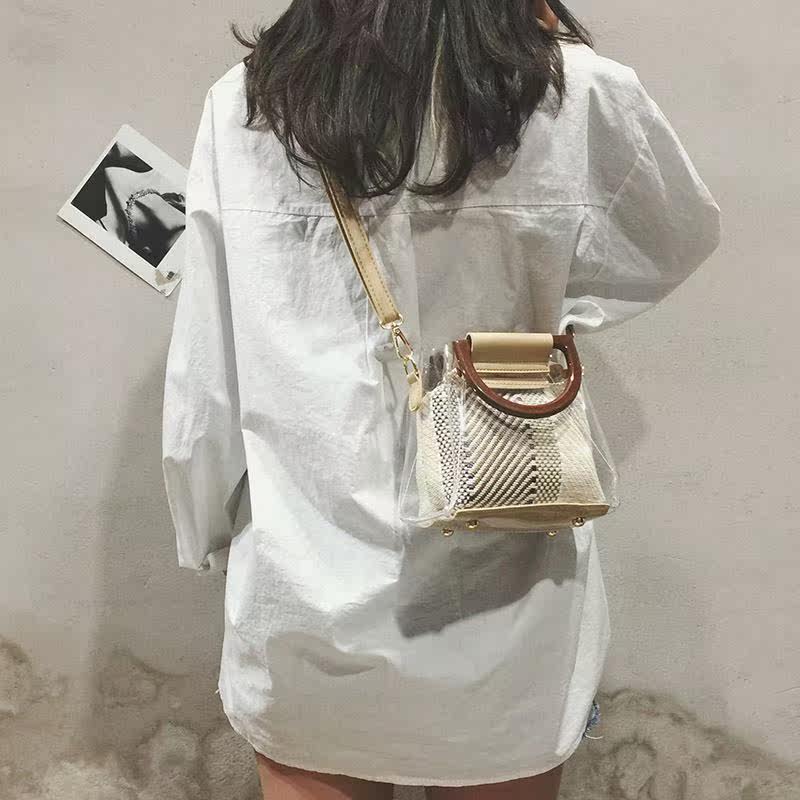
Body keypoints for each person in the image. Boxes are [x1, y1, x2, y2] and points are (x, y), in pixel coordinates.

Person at [161, 1, 721, 798]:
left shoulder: (249, 107)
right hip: (510, 597)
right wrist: (547, 292)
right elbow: (672, 237)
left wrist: (207, 531)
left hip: (304, 590)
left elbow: (206, 373)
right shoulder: (574, 96)